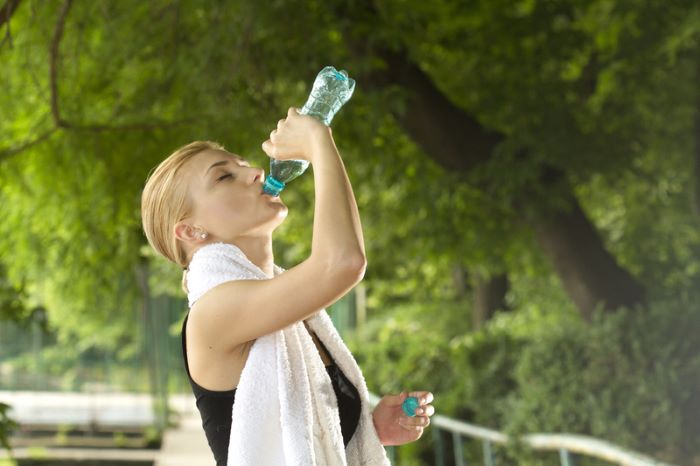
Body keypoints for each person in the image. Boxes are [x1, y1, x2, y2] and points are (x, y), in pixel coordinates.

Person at [141, 107, 435, 464]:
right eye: (224, 177)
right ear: (190, 231)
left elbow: (308, 439)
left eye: (244, 164)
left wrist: (367, 429)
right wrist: (318, 140)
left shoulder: (294, 313)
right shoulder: (212, 313)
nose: (255, 172)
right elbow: (342, 263)